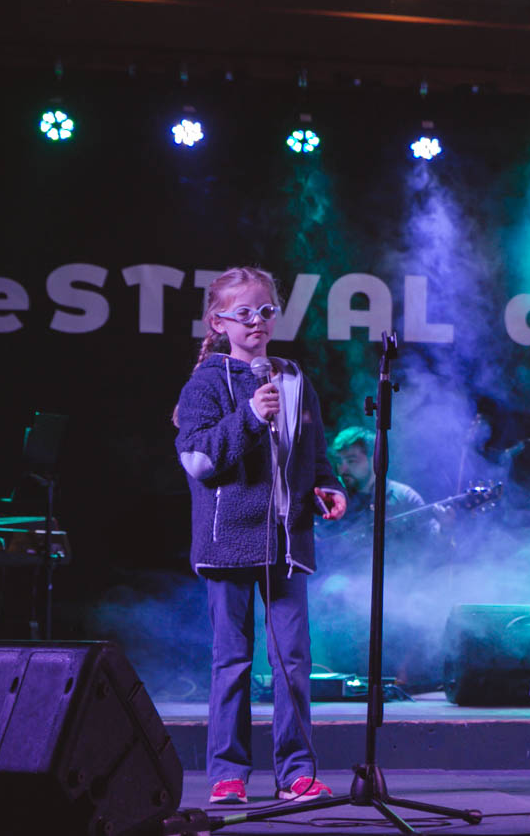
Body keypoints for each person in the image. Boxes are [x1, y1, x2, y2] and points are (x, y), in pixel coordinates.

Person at [175, 266, 348, 805]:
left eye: (266, 311)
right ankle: (227, 773)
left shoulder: (294, 378)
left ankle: (296, 772)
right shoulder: (207, 383)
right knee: (232, 662)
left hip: (286, 543)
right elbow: (198, 460)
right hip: (228, 543)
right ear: (218, 321)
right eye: (244, 313)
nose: (257, 321)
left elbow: (312, 450)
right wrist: (250, 416)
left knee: (292, 661)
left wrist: (325, 485)